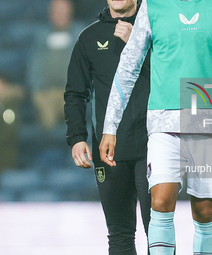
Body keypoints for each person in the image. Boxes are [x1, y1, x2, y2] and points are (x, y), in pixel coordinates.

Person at [99, 0, 212, 254]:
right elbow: (128, 65)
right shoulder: (153, 7)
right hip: (163, 120)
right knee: (160, 202)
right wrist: (110, 125)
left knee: (205, 211)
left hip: (208, 119)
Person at [64, 0, 151, 254]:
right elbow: (75, 93)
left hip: (154, 144)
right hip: (110, 151)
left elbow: (174, 75)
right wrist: (77, 137)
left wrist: (139, 43)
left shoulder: (154, 31)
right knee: (120, 234)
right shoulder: (89, 37)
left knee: (158, 230)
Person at [27, 0, 84, 131]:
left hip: (71, 92)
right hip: (46, 92)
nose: (60, 15)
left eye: (63, 12)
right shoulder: (41, 35)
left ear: (70, 13)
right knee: (46, 114)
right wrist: (36, 89)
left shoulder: (80, 33)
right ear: (50, 14)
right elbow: (34, 65)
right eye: (56, 12)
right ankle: (48, 143)